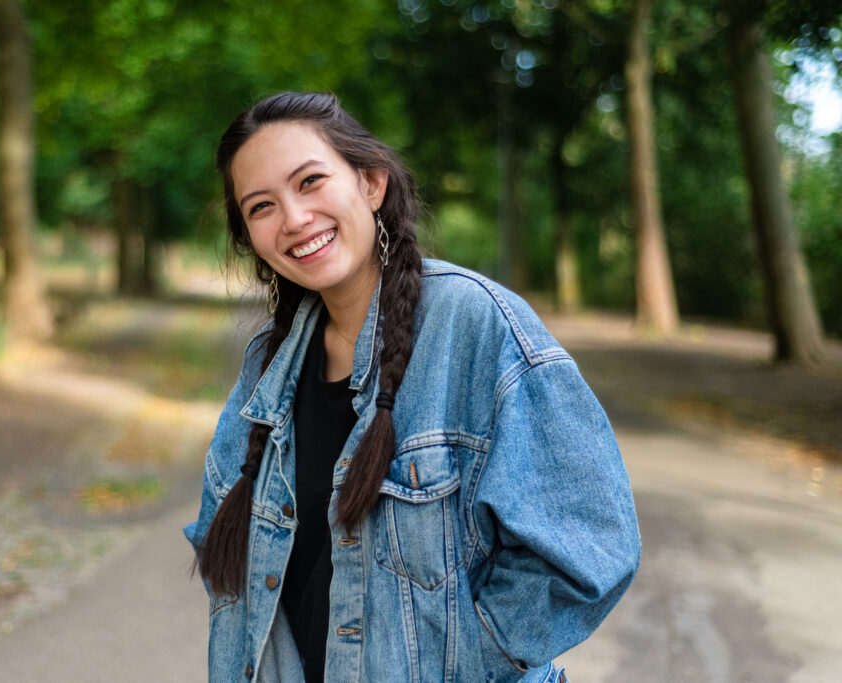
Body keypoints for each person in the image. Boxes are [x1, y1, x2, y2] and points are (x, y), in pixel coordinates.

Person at [184, 92, 640, 683]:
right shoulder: (266, 364)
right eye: (261, 206)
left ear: (370, 184)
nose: (294, 219)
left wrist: (467, 657)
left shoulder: (475, 324)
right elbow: (220, 543)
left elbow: (589, 543)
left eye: (311, 181)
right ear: (249, 236)